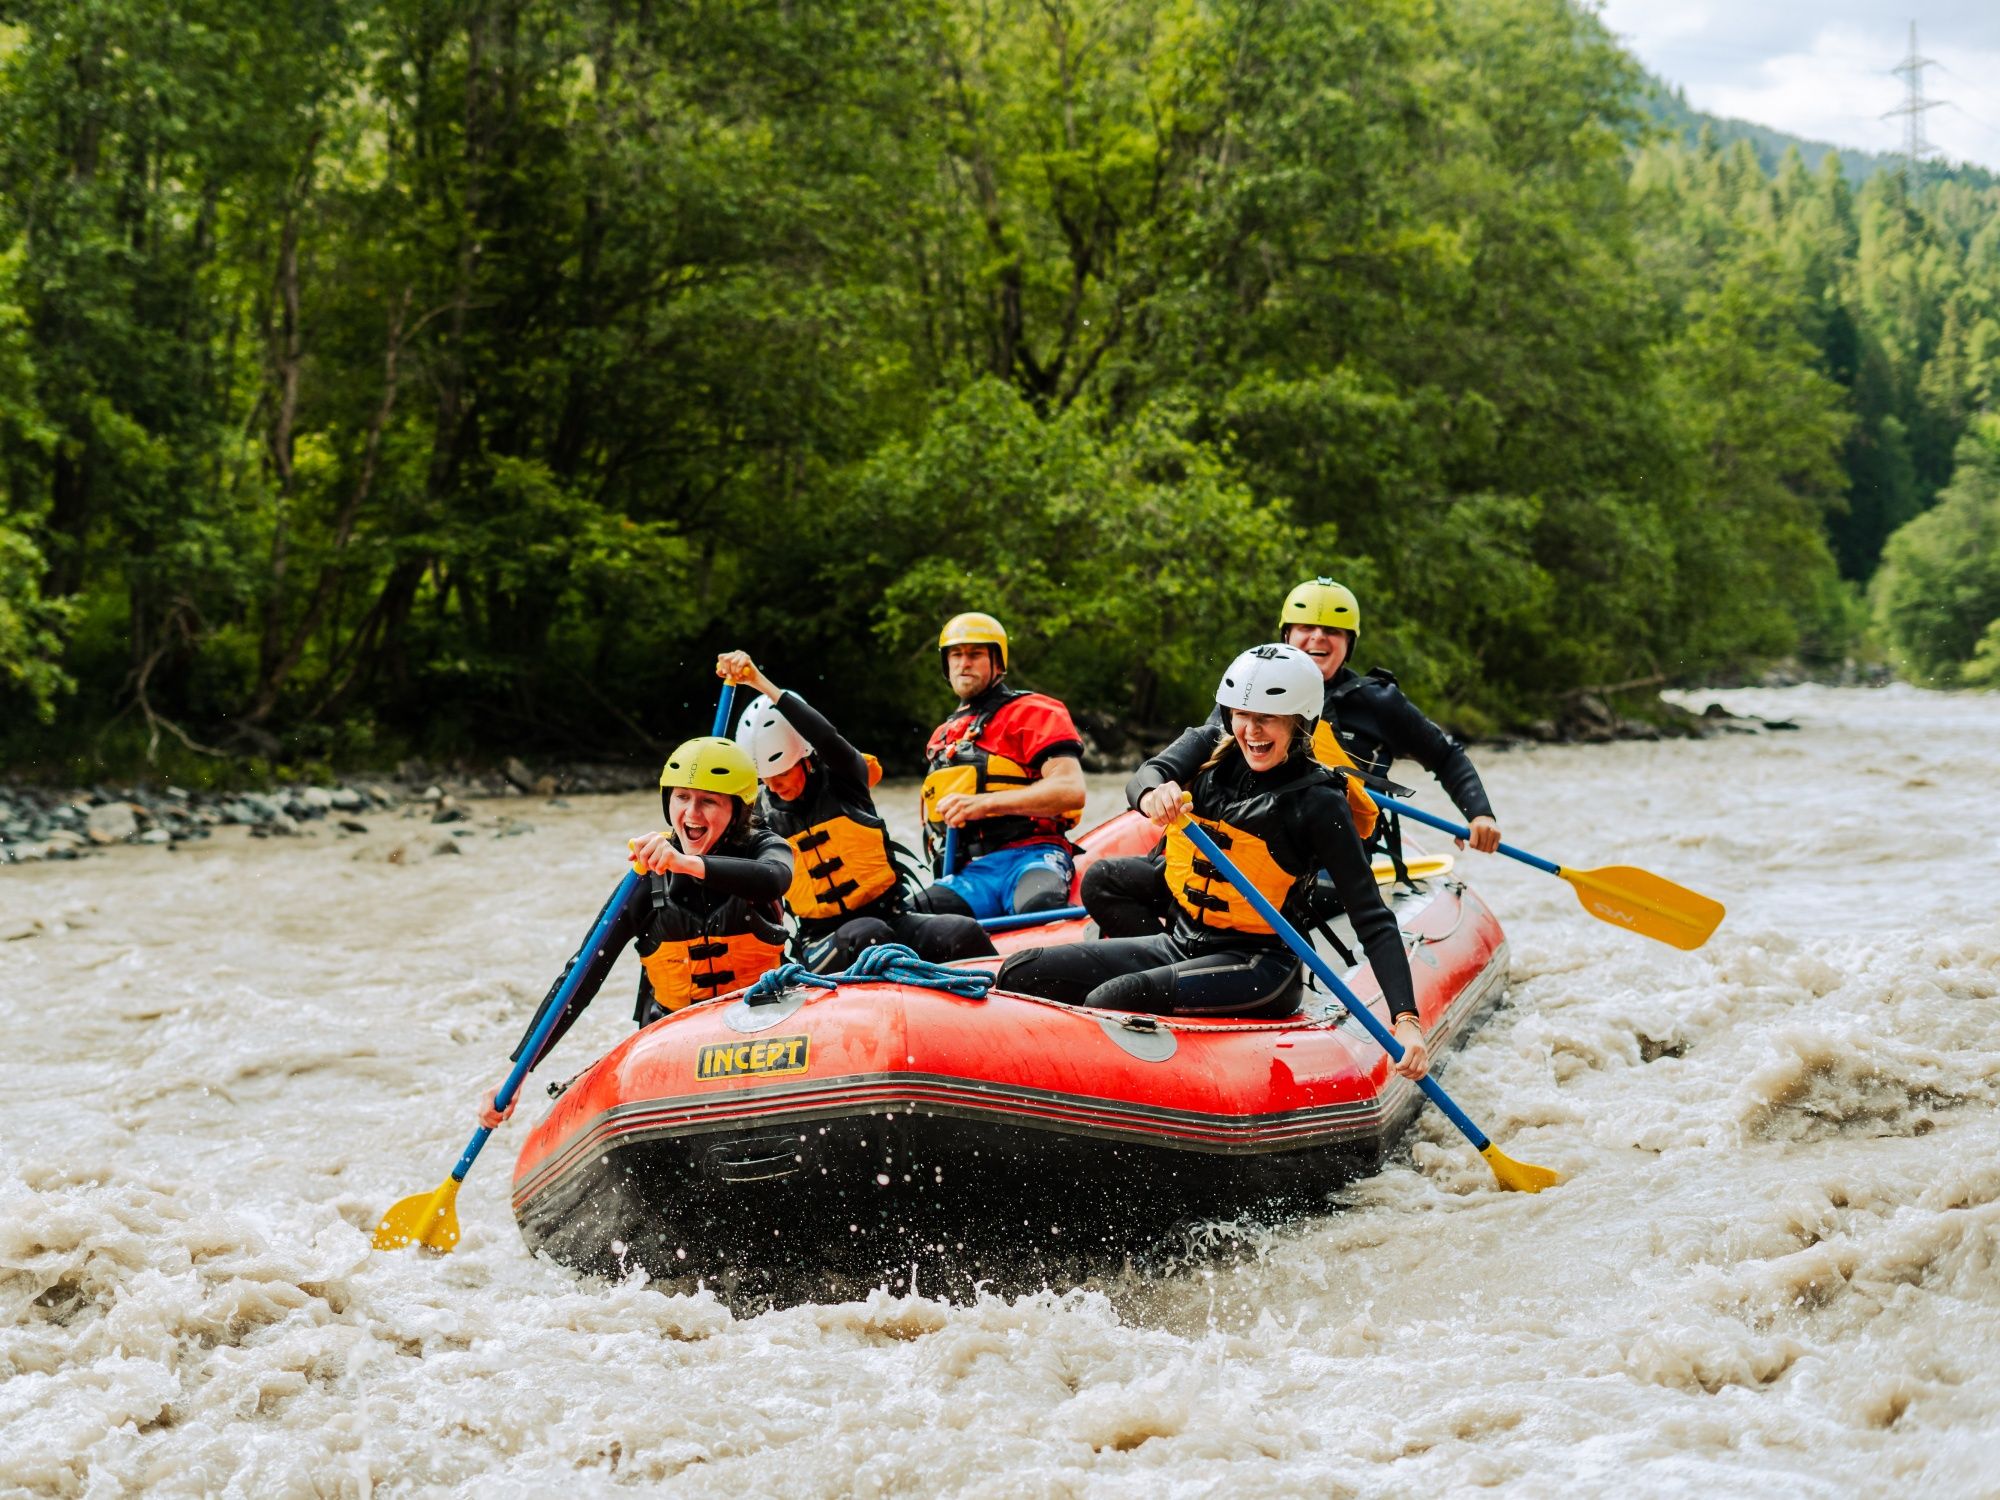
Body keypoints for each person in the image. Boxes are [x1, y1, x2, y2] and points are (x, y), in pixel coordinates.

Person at [996, 644, 1428, 1078]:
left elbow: (1373, 918)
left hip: (1261, 964)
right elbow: (1145, 777)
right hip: (1181, 942)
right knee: (1022, 972)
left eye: (1267, 718)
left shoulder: (1319, 802)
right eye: (1241, 714)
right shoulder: (1207, 745)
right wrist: (1153, 793)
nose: (1250, 731)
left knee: (1113, 998)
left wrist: (1406, 1021)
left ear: (1300, 722)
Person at [1083, 575, 1501, 936]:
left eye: (1333, 631)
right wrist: (1158, 791)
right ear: (1287, 635)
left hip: (1319, 860)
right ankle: (1167, 947)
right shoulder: (1248, 691)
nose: (1318, 637)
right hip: (1238, 845)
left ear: (1349, 644)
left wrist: (1479, 814)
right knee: (1127, 877)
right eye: (1306, 627)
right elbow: (1198, 756)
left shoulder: (1378, 702)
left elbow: (1445, 755)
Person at [477, 735, 792, 1127]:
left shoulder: (763, 847)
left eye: (708, 801)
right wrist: (519, 1071)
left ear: (737, 809)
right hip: (677, 1042)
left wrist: (687, 863)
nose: (691, 813)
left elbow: (775, 879)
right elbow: (582, 975)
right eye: (681, 797)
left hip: (765, 1031)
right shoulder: (647, 876)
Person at [717, 649, 996, 970]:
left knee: (962, 931)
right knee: (869, 934)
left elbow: (827, 737)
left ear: (807, 760)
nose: (775, 784)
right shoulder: (759, 819)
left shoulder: (846, 781)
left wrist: (759, 682)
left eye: (783, 773)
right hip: (822, 943)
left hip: (890, 918)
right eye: (766, 778)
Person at [915, 611, 1088, 921]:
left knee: (1039, 903)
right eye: (955, 655)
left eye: (975, 654)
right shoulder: (942, 736)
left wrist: (984, 804)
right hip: (971, 875)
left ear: (997, 662)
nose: (963, 663)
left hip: (1033, 858)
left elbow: (1070, 791)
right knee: (911, 918)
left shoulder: (1034, 712)